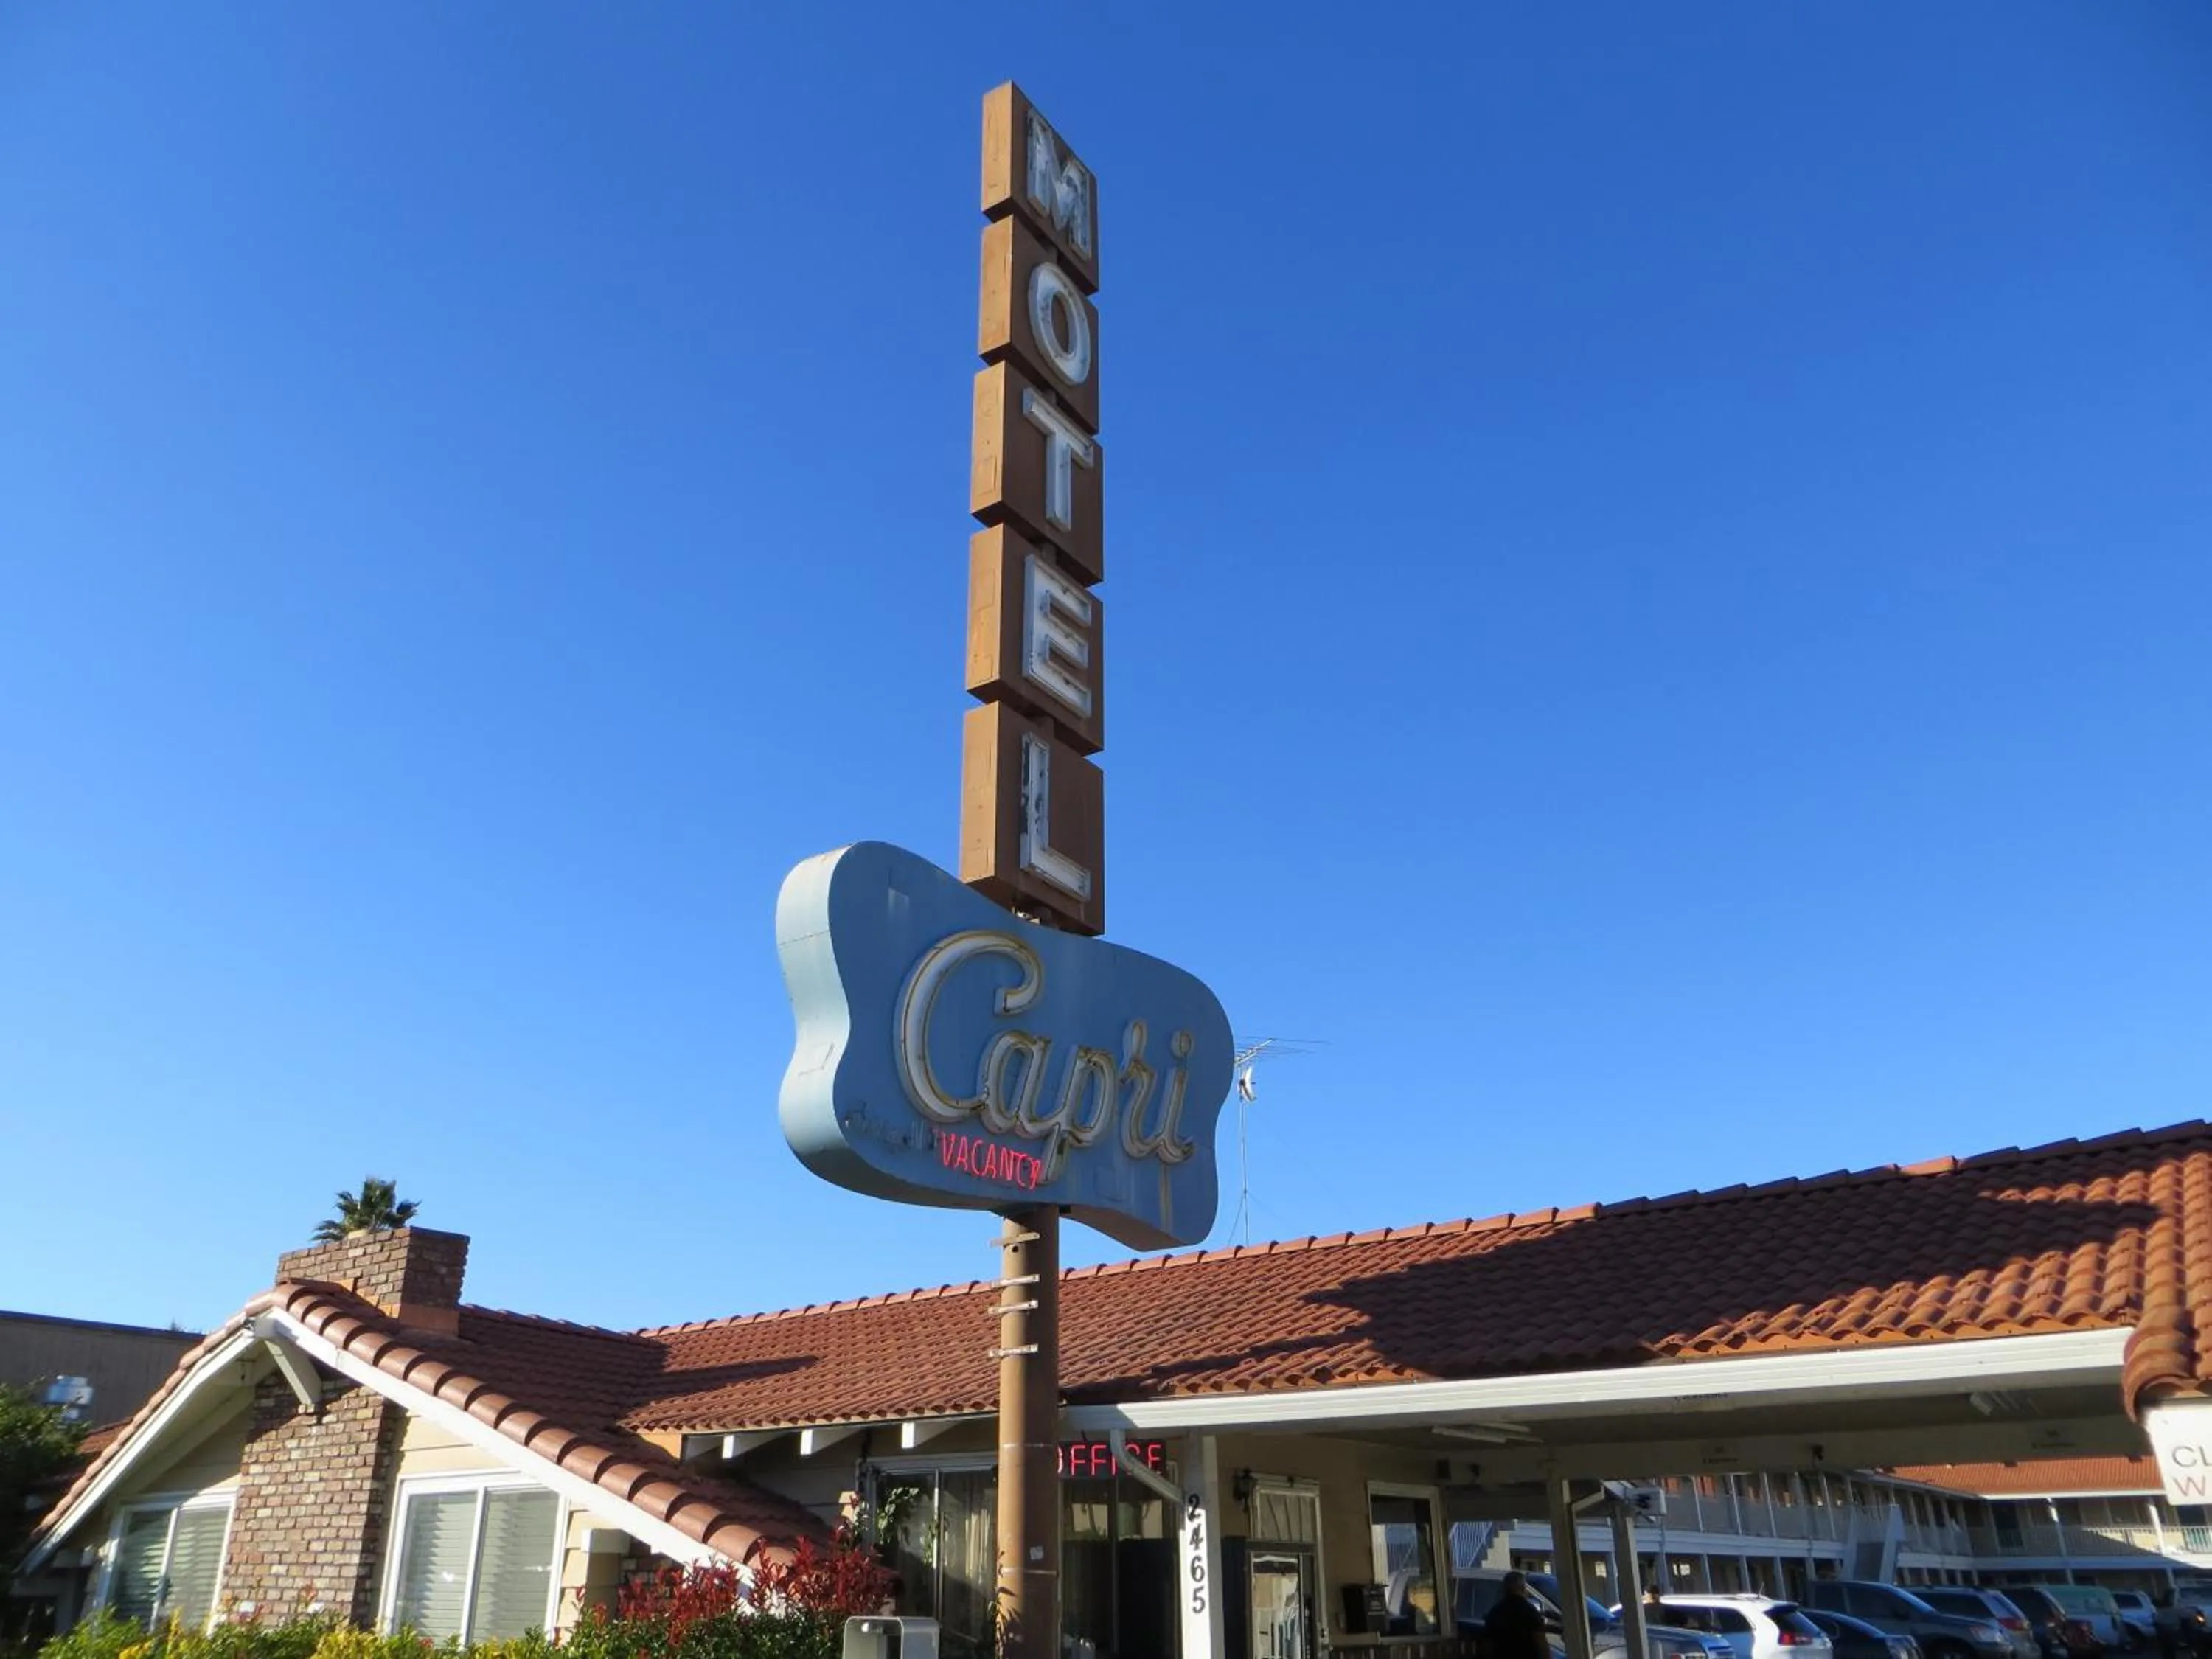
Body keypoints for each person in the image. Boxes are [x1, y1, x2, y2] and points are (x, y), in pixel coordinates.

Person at [1484, 1572, 1551, 1659]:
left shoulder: (1495, 1612)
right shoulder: (1530, 1611)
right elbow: (1541, 1643)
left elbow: (1487, 1646)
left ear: (1504, 1589)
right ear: (1523, 1588)